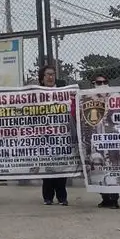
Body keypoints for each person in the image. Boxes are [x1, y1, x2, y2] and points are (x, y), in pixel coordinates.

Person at [37, 65, 70, 206]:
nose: (51, 77)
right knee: (48, 168)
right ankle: (48, 197)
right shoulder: (36, 93)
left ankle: (62, 197)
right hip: (44, 136)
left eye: (52, 74)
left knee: (61, 167)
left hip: (62, 134)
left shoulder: (64, 91)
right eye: (47, 75)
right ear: (42, 78)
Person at [90, 75, 120, 209]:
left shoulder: (116, 97)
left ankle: (114, 198)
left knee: (112, 166)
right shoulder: (88, 98)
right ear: (94, 84)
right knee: (97, 167)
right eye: (99, 82)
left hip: (112, 139)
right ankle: (104, 197)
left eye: (105, 82)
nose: (102, 84)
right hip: (96, 139)